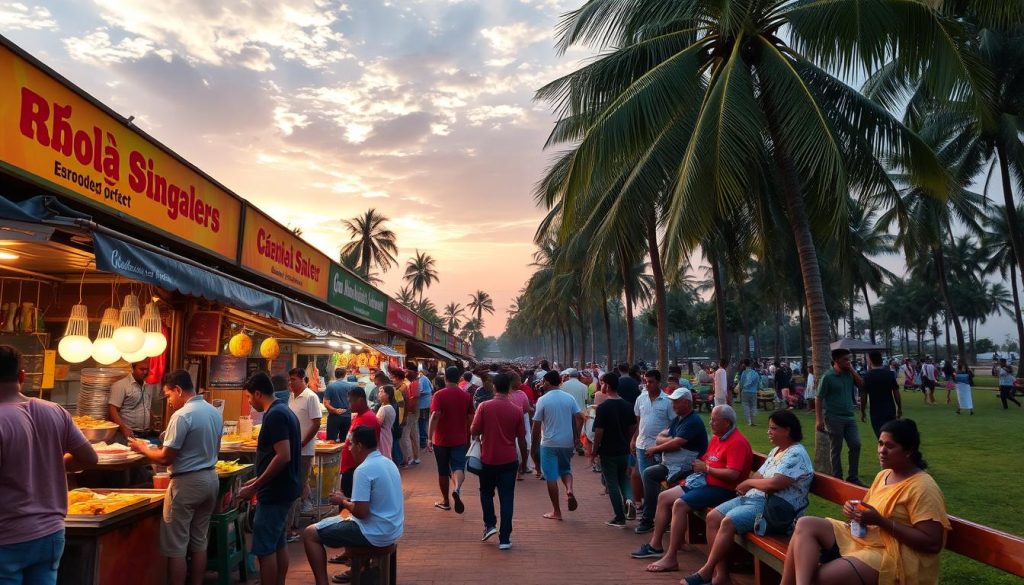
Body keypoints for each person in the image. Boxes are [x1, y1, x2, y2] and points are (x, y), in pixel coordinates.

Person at [781, 419, 950, 585]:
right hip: (866, 539)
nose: (882, 451)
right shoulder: (884, 475)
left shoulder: (923, 487)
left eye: (890, 446)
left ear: (909, 450)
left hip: (892, 555)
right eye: (880, 444)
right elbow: (869, 511)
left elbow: (932, 543)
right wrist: (856, 512)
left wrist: (880, 521)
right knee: (805, 524)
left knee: (820, 578)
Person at [0, 345, 97, 584]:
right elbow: (89, 458)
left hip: (7, 536)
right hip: (51, 534)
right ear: (22, 376)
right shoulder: (55, 411)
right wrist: (54, 463)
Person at [685, 410, 814, 585]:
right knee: (713, 517)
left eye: (774, 429)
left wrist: (748, 484)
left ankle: (706, 571)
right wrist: (749, 484)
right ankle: (721, 575)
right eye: (769, 428)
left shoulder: (796, 454)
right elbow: (760, 476)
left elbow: (774, 484)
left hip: (774, 508)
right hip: (756, 499)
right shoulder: (777, 450)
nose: (769, 432)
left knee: (728, 522)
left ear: (788, 430)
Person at [129, 370, 221, 585]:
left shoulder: (182, 416)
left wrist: (142, 448)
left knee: (177, 546)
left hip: (186, 484)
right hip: (210, 479)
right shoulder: (213, 411)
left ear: (178, 390)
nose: (169, 402)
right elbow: (216, 448)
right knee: (199, 541)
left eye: (169, 395)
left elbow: (165, 458)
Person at [640, 405, 752, 572]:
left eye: (714, 420)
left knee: (679, 504)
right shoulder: (717, 438)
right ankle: (656, 545)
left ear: (727, 423)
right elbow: (708, 460)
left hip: (723, 489)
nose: (710, 423)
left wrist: (706, 469)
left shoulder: (737, 442)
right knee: (664, 497)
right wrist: (703, 468)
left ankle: (671, 557)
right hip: (704, 481)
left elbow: (732, 475)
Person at [303, 427, 403, 585]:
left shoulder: (363, 470)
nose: (349, 449)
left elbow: (361, 512)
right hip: (392, 529)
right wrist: (346, 499)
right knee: (341, 518)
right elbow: (371, 502)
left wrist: (342, 501)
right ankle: (362, 568)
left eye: (351, 444)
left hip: (373, 532)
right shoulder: (388, 463)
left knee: (310, 533)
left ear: (360, 446)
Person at [238, 372, 302, 585]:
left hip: (275, 492)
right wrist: (257, 476)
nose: (249, 402)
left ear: (258, 393)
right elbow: (277, 456)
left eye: (249, 397)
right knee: (278, 543)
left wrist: (256, 485)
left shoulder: (275, 415)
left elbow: (283, 456)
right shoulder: (284, 410)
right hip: (285, 487)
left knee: (265, 548)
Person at [632, 387, 708, 536]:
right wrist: (668, 441)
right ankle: (652, 518)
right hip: (671, 465)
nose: (673, 405)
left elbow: (676, 443)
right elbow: (661, 437)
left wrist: (656, 449)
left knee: (650, 474)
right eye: (672, 402)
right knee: (649, 474)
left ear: (687, 403)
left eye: (676, 402)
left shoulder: (692, 421)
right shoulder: (678, 420)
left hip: (686, 468)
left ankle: (650, 519)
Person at [470, 373, 528, 549]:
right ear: (509, 387)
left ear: (494, 387)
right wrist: (524, 461)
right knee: (507, 498)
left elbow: (474, 429)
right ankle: (505, 538)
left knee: (486, 492)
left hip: (488, 458)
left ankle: (489, 524)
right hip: (509, 459)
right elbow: (521, 438)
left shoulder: (484, 407)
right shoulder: (516, 410)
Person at [533, 369, 585, 520]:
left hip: (549, 443)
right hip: (566, 442)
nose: (542, 384)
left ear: (547, 382)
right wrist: (576, 437)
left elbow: (536, 425)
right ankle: (569, 490)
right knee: (565, 469)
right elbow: (580, 417)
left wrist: (535, 445)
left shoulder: (543, 400)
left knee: (551, 476)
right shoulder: (569, 398)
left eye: (543, 382)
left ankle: (556, 511)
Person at [590, 372, 637, 528]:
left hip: (608, 451)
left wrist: (594, 451)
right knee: (624, 479)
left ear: (608, 386)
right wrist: (629, 443)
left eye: (602, 383)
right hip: (624, 449)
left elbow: (599, 432)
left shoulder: (603, 408)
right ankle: (630, 500)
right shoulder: (628, 406)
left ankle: (619, 517)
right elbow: (632, 428)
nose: (601, 385)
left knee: (612, 483)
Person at [428, 365, 474, 513]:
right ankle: (457, 488)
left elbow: (435, 416)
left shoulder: (439, 395)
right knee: (458, 467)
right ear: (459, 378)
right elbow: (470, 418)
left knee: (442, 471)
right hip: (460, 438)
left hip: (441, 439)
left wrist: (429, 437)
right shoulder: (466, 396)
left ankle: (446, 501)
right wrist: (468, 433)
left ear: (445, 378)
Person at [816, 348, 865, 485]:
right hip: (833, 418)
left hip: (849, 417)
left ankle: (853, 477)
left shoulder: (849, 374)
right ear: (836, 360)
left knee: (856, 444)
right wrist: (819, 420)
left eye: (849, 359)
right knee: (836, 449)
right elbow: (819, 398)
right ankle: (837, 478)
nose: (848, 362)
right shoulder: (828, 377)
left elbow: (861, 384)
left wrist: (852, 370)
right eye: (845, 359)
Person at [631, 369, 671, 521]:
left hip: (660, 448)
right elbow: (638, 422)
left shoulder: (667, 401)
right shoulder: (641, 399)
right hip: (642, 445)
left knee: (658, 481)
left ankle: (654, 513)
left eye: (651, 382)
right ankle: (651, 512)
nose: (647, 385)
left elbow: (673, 425)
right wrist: (634, 439)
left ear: (659, 382)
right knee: (645, 479)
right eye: (645, 381)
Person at [287, 367, 323, 539]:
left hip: (304, 450)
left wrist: (303, 442)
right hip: (290, 449)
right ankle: (292, 521)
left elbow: (316, 423)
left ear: (303, 379)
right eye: (289, 380)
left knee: (298, 484)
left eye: (293, 379)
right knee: (292, 484)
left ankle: (292, 526)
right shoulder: (291, 397)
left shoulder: (311, 397)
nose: (290, 383)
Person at [108, 360, 158, 441]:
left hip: (146, 434)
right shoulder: (121, 385)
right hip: (128, 434)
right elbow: (112, 410)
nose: (145, 372)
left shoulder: (148, 386)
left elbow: (147, 407)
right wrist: (124, 429)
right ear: (132, 368)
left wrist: (152, 423)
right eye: (142, 369)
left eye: (147, 369)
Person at [861, 350, 902, 438]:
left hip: (876, 412)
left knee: (880, 437)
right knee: (891, 436)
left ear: (870, 360)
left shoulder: (867, 376)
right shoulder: (889, 374)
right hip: (890, 410)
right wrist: (899, 407)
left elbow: (863, 396)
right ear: (881, 360)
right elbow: (896, 393)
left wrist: (862, 411)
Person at [323, 369, 353, 443]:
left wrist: (335, 410)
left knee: (331, 441)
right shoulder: (351, 386)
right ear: (344, 375)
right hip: (347, 416)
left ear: (335, 375)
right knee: (345, 442)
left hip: (334, 417)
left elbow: (326, 403)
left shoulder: (330, 386)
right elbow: (353, 402)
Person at [399, 366, 421, 466]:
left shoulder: (413, 384)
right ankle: (415, 457)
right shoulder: (414, 383)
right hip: (414, 411)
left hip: (412, 412)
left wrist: (408, 411)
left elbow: (414, 399)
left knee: (406, 434)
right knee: (413, 434)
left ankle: (409, 457)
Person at [375, 385, 398, 460]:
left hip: (382, 436)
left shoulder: (384, 409)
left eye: (381, 392)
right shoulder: (390, 407)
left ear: (387, 395)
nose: (379, 394)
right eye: (379, 392)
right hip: (387, 434)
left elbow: (377, 424)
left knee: (383, 455)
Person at [738, 358, 761, 426]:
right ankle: (753, 421)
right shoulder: (755, 373)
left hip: (745, 392)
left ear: (744, 364)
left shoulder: (744, 373)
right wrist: (757, 389)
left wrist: (740, 390)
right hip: (753, 392)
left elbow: (741, 383)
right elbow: (758, 383)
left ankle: (749, 421)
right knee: (753, 406)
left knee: (746, 406)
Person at [417, 367, 434, 449]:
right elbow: (431, 388)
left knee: (422, 422)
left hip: (423, 404)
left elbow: (422, 391)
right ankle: (425, 439)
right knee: (424, 422)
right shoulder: (424, 378)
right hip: (426, 403)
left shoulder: (422, 379)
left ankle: (423, 441)